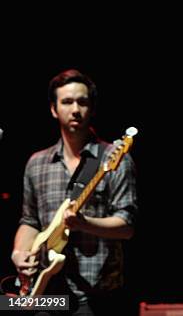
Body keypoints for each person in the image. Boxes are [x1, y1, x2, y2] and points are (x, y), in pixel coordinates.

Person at [10, 69, 138, 315]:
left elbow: (127, 226)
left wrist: (84, 223)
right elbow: (29, 220)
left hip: (96, 295)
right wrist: (19, 252)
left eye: (83, 101)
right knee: (5, 306)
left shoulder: (114, 158)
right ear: (53, 109)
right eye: (67, 102)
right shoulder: (37, 163)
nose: (76, 109)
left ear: (93, 108)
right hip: (46, 293)